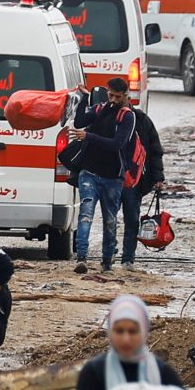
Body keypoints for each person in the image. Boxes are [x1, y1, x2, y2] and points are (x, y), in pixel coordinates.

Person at [72, 77, 138, 274]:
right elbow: (80, 121)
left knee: (110, 221)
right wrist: (84, 99)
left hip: (112, 177)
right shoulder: (100, 108)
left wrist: (89, 136)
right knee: (85, 215)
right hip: (89, 172)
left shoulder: (128, 117)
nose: (114, 100)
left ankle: (107, 260)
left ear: (125, 96)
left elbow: (117, 144)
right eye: (111, 95)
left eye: (118, 97)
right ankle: (81, 257)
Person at [120, 105, 165, 272]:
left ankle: (127, 259)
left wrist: (158, 177)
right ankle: (108, 256)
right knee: (109, 220)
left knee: (132, 220)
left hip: (135, 180)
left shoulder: (142, 120)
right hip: (112, 179)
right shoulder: (107, 116)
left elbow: (155, 150)